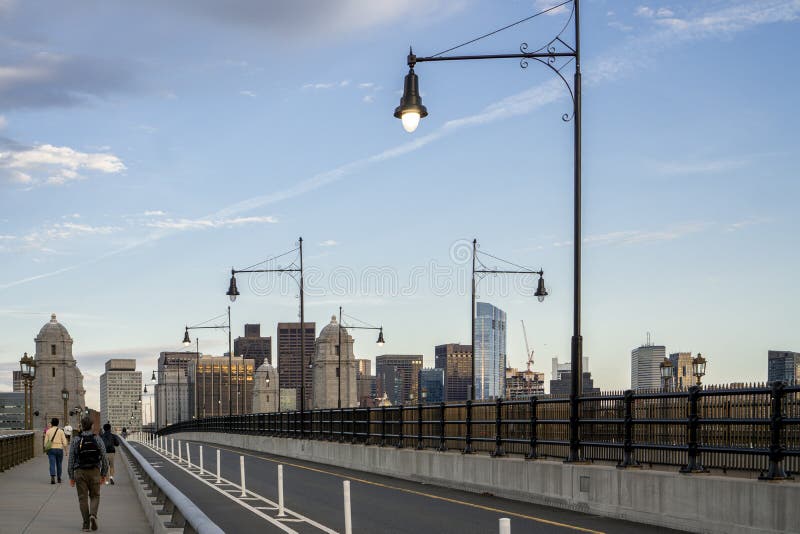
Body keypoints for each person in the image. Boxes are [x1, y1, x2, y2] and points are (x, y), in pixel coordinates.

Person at [68, 416, 108, 532]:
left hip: (79, 472)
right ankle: (93, 515)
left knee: (82, 498)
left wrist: (71, 476)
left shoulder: (76, 440)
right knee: (95, 495)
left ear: (81, 426)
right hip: (95, 471)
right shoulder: (97, 439)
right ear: (91, 426)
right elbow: (104, 458)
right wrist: (103, 473)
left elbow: (71, 459)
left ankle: (86, 525)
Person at [44, 417, 68, 484]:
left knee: (52, 463)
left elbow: (45, 443)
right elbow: (65, 442)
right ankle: (59, 478)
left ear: (51, 423)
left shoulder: (48, 431)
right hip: (59, 449)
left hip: (51, 449)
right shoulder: (61, 431)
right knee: (59, 464)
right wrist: (66, 451)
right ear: (58, 423)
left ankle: (52, 477)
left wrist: (46, 450)